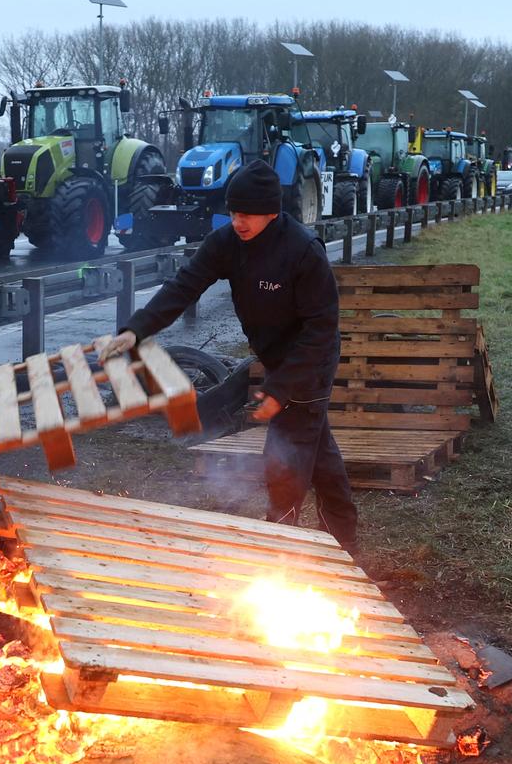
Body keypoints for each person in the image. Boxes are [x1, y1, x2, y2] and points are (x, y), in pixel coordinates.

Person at [98, 159, 357, 550]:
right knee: (319, 455)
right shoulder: (227, 243)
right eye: (234, 212)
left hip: (309, 364)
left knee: (285, 456)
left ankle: (280, 550)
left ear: (272, 211)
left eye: (247, 215)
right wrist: (136, 329)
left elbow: (320, 330)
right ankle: (345, 546)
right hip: (274, 359)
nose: (238, 222)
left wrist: (279, 391)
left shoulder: (303, 252)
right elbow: (185, 285)